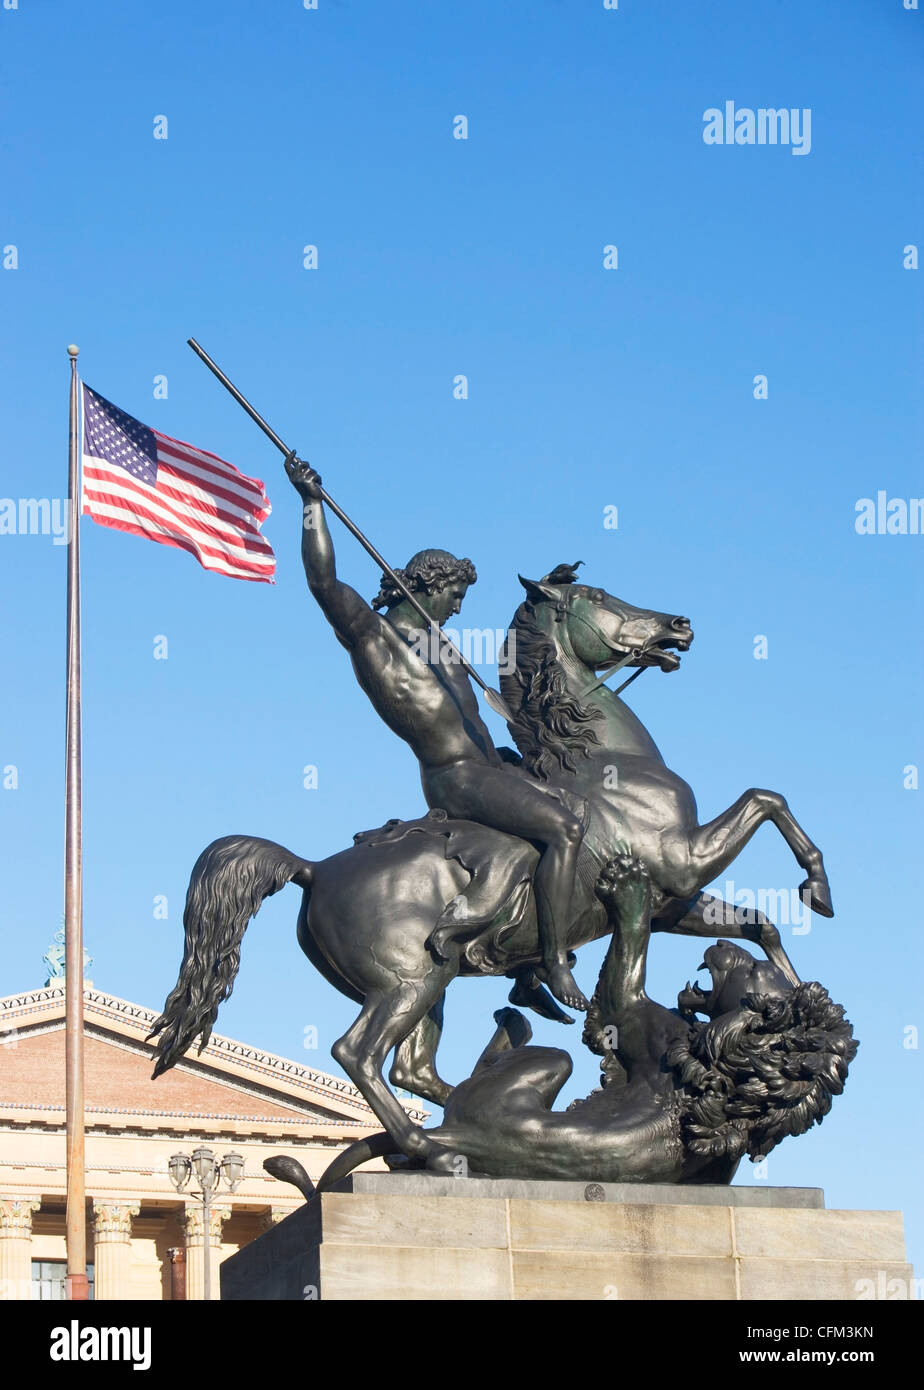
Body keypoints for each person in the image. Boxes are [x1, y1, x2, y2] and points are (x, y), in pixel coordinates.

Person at [285, 454, 588, 1010]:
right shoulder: (374, 635)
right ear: (429, 585)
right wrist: (311, 505)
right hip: (456, 778)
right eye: (455, 596)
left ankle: (519, 968)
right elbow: (323, 582)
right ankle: (553, 962)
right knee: (564, 829)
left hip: (486, 765)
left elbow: (471, 718)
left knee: (575, 813)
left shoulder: (438, 644)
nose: (457, 607)